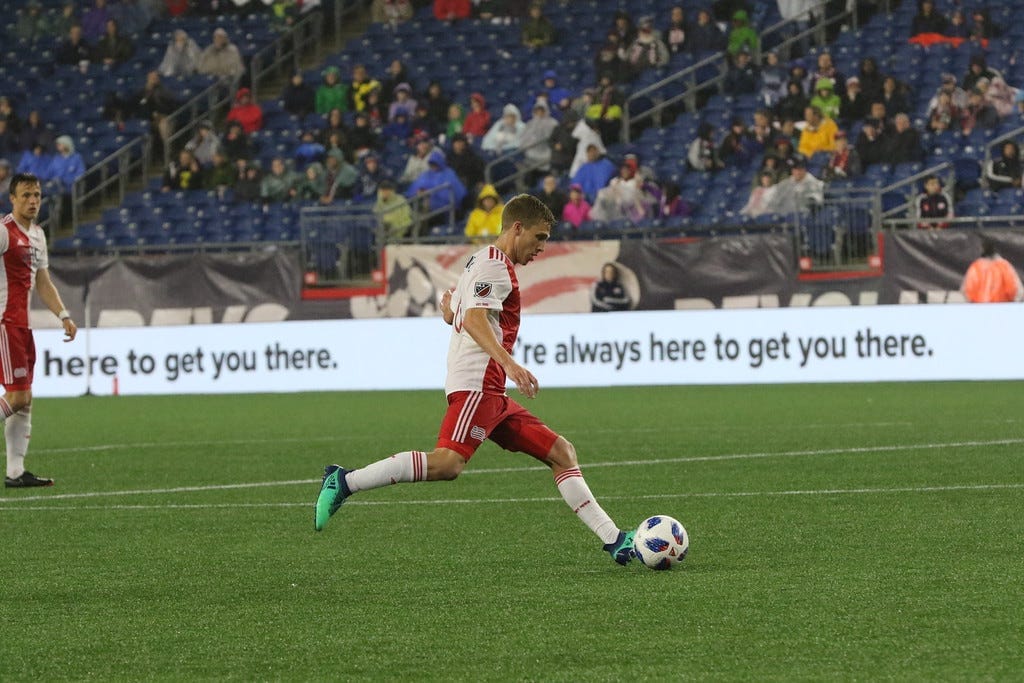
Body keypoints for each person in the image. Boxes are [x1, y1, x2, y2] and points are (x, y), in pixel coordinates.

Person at [314, 194, 639, 566]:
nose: (541, 248)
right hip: (478, 384)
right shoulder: (495, 268)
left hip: (491, 389)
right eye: (539, 238)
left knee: (561, 453)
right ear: (517, 228)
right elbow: (474, 320)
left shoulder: (481, 260)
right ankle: (344, 481)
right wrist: (510, 364)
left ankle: (616, 540)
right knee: (447, 465)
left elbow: (462, 312)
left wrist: (452, 314)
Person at [2, 173, 78, 488]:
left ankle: (16, 473)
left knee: (26, 399)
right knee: (18, 397)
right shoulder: (4, 232)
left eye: (37, 195)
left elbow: (42, 282)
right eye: (26, 195)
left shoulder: (37, 235)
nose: (33, 201)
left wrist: (63, 314)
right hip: (4, 324)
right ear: (12, 198)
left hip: (23, 326)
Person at [961, 237, 1023, 303]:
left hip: (980, 308)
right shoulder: (1004, 266)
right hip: (1002, 308)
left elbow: (967, 291)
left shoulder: (976, 267)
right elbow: (1014, 290)